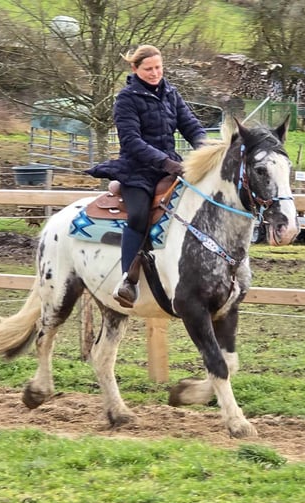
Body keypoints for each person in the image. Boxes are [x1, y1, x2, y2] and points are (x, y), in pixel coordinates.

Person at [106, 44, 207, 308]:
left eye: (158, 68)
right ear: (135, 69)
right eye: (148, 69)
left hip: (170, 166)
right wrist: (166, 162)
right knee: (139, 214)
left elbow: (191, 126)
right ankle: (128, 279)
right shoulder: (126, 98)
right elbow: (131, 140)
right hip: (137, 169)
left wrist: (206, 149)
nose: (154, 73)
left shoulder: (171, 93)